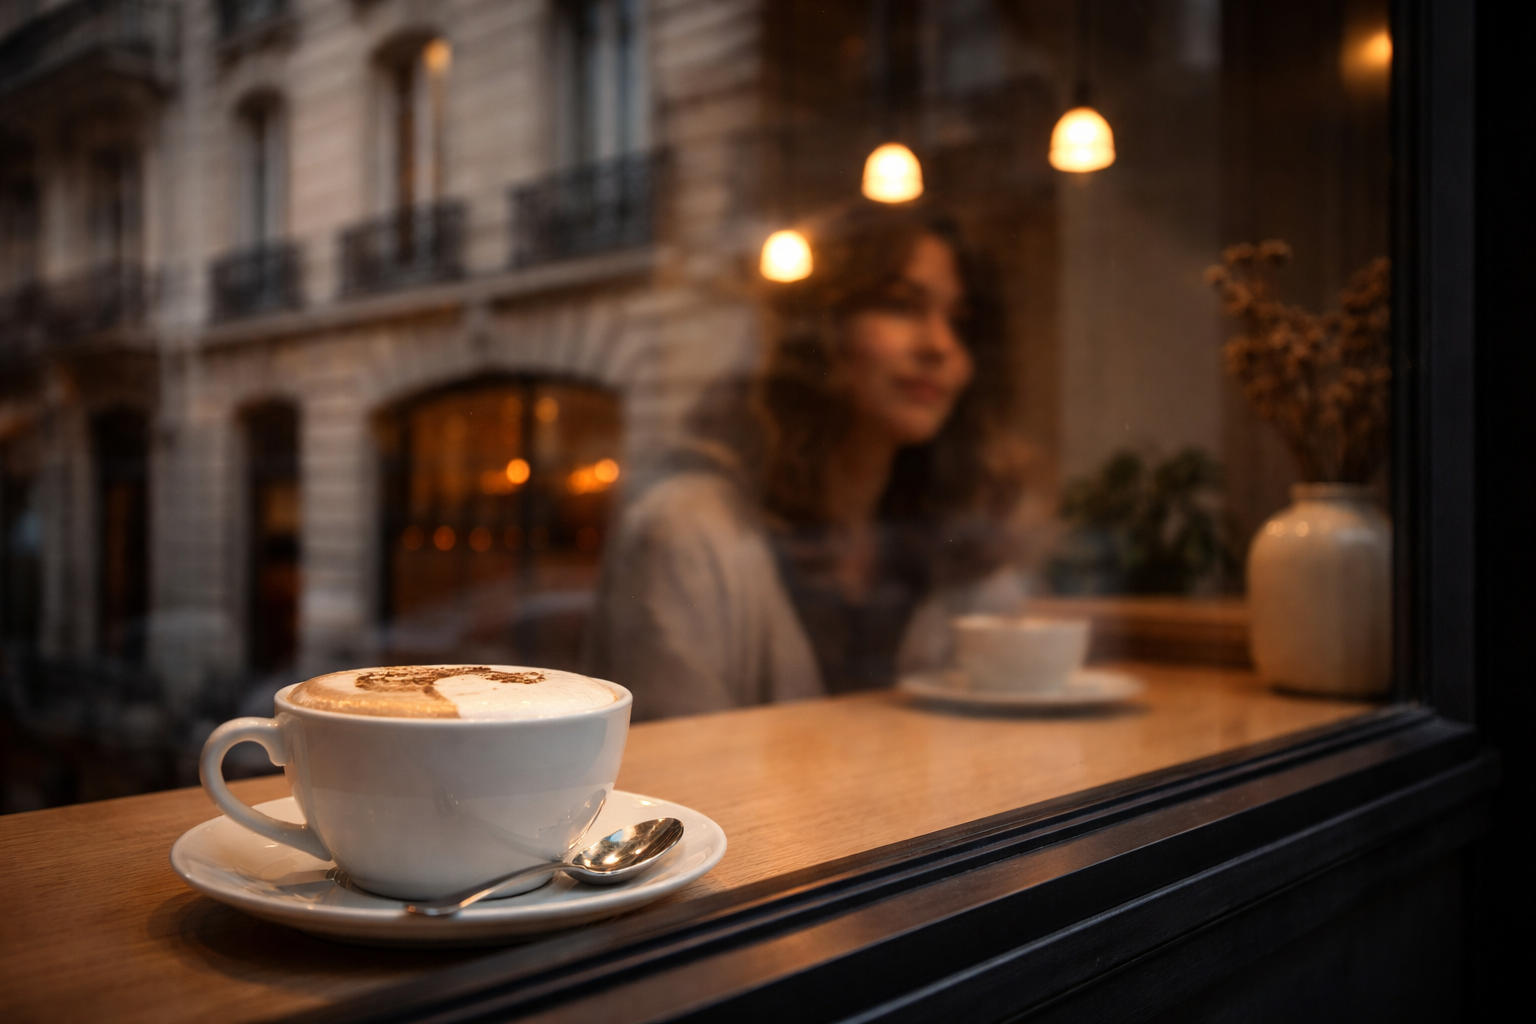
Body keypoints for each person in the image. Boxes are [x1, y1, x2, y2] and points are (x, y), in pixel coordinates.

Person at [587, 203, 1029, 719]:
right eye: (901, 305)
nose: (940, 345)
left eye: (961, 323)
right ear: (821, 326)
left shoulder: (954, 541)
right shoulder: (689, 532)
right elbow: (672, 782)